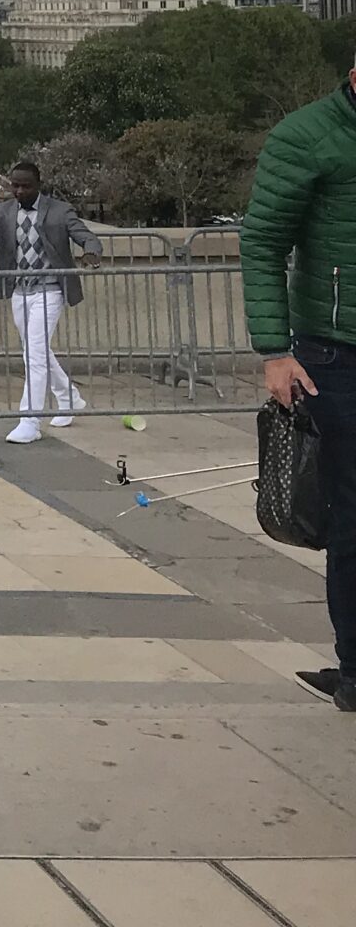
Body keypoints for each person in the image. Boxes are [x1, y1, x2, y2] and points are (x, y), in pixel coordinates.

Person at [242, 55, 356, 711]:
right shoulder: (306, 136)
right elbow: (262, 242)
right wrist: (275, 352)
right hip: (335, 356)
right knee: (351, 517)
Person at [0, 160, 105, 444]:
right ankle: (68, 396)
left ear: (38, 185)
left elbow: (85, 235)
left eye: (25, 186)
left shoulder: (60, 210)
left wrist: (91, 252)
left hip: (50, 290)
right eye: (14, 186)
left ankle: (30, 421)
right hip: (19, 291)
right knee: (35, 351)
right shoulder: (2, 211)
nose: (19, 191)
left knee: (35, 354)